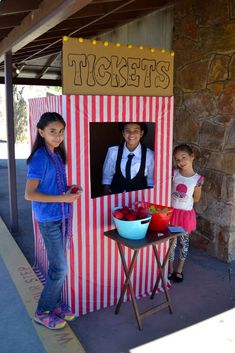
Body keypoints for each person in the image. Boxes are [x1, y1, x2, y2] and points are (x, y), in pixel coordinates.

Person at [25, 112, 82, 330]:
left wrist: (70, 189)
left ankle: (54, 304)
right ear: (41, 132)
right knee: (59, 269)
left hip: (59, 216)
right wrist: (64, 198)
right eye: (52, 132)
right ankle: (42, 311)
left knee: (58, 267)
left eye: (61, 132)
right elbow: (29, 194)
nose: (58, 136)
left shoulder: (56, 154)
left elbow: (52, 186)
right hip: (49, 220)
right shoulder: (40, 157)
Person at [168, 144, 205, 283]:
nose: (181, 162)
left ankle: (179, 270)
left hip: (185, 216)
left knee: (184, 243)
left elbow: (196, 198)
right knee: (172, 243)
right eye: (177, 159)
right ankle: (170, 268)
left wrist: (198, 187)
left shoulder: (198, 179)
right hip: (172, 213)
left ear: (192, 156)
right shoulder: (174, 173)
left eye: (184, 157)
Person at [102, 122, 154, 195]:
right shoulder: (113, 152)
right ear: (123, 133)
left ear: (141, 133)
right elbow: (106, 179)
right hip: (115, 199)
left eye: (136, 131)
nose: (131, 134)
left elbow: (150, 183)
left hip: (138, 200)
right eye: (127, 130)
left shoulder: (150, 155)